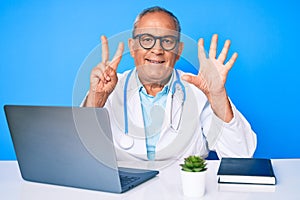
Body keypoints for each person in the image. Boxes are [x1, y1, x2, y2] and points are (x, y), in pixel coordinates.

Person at [82, 6, 257, 162]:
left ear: (179, 50)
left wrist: (218, 96)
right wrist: (96, 100)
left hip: (184, 188)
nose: (157, 50)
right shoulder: (108, 86)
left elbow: (240, 156)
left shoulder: (199, 90)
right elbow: (82, 155)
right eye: (147, 40)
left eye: (167, 41)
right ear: (133, 47)